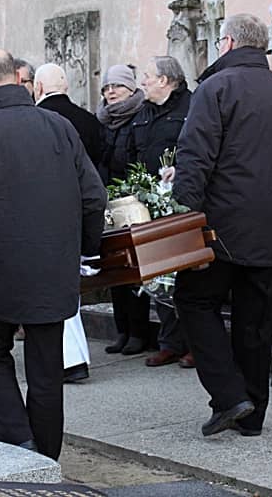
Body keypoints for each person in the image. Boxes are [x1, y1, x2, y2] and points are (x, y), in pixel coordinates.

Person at [0, 48, 106, 460]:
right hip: (52, 265)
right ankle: (44, 454)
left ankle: (20, 440)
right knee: (46, 367)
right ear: (18, 79)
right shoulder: (59, 127)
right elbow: (93, 196)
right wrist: (86, 250)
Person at [170, 13, 272, 437]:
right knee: (255, 321)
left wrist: (186, 218)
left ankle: (229, 396)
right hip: (270, 227)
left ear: (228, 42)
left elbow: (195, 156)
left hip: (220, 227)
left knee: (194, 302)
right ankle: (252, 417)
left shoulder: (216, 88)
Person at [34, 62, 103, 383]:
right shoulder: (87, 120)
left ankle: (68, 362)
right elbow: (96, 181)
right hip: (76, 217)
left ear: (37, 88)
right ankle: (73, 360)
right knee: (65, 294)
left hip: (43, 217)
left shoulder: (38, 123)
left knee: (47, 298)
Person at [134, 56, 193, 368]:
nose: (143, 82)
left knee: (187, 276)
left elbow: (197, 149)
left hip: (181, 205)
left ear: (165, 80)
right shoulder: (143, 112)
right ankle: (169, 342)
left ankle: (195, 344)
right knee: (159, 275)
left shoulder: (192, 107)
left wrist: (180, 171)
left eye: (147, 76)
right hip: (150, 204)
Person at [97, 64, 149, 356]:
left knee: (134, 267)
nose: (111, 92)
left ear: (130, 88)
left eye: (117, 86)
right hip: (108, 201)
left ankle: (138, 331)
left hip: (132, 202)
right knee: (114, 266)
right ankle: (122, 330)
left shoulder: (141, 116)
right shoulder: (103, 120)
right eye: (106, 87)